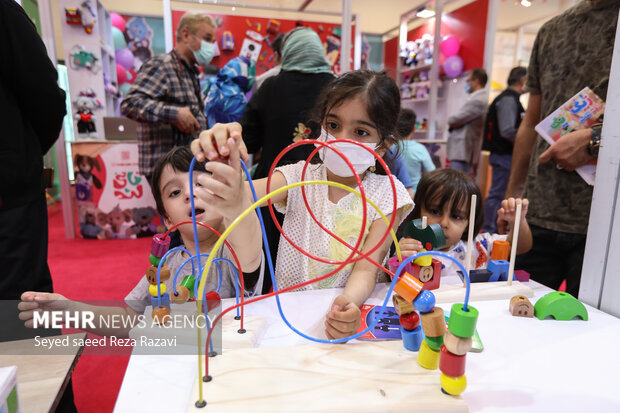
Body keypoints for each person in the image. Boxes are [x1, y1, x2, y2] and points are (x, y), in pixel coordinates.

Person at [192, 70, 414, 340]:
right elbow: (244, 194)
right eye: (333, 125)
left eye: (360, 131)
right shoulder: (297, 176)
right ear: (320, 126)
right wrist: (227, 150)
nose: (342, 139)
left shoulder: (387, 194)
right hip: (289, 318)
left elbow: (368, 267)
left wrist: (349, 302)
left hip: (342, 317)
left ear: (382, 146)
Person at [18, 144, 264, 334]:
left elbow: (248, 247)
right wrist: (69, 311)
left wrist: (236, 199)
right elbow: (128, 319)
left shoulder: (231, 252)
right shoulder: (165, 268)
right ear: (167, 219)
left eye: (201, 185)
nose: (190, 194)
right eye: (175, 192)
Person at [505, 0, 618, 297]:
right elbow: (531, 122)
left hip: (605, 224)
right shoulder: (553, 30)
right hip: (539, 213)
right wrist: (514, 194)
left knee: (596, 331)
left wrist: (596, 139)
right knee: (520, 316)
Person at [238, 27, 335, 291]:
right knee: (318, 252)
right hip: (323, 186)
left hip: (273, 184)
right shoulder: (337, 87)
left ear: (288, 51)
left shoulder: (270, 86)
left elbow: (248, 140)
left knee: (270, 251)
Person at [0, 0, 66, 300]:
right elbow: (45, 95)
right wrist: (22, 153)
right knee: (21, 301)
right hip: (10, 189)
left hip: (11, 182)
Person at [121, 12, 215, 185]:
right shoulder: (162, 65)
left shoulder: (189, 72)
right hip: (168, 167)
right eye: (207, 39)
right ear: (186, 34)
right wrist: (175, 114)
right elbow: (130, 103)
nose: (211, 47)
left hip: (184, 164)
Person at [398, 169, 532, 275]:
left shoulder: (480, 246)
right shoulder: (410, 247)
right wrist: (400, 258)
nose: (444, 223)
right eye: (435, 211)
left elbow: (519, 247)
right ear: (418, 210)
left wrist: (518, 222)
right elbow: (391, 280)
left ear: (470, 222)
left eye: (456, 217)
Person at [481, 66, 527, 233]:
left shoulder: (511, 99)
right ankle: (490, 230)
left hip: (504, 155)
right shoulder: (508, 99)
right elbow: (507, 130)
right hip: (503, 155)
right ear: (523, 80)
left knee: (499, 194)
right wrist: (525, 142)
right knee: (498, 194)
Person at [447, 68, 489, 174]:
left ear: (476, 81)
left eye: (468, 80)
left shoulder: (478, 100)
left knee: (458, 185)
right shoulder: (476, 98)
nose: (466, 83)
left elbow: (455, 120)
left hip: (464, 150)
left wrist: (450, 121)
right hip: (464, 150)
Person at [395, 108, 436, 193]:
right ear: (413, 129)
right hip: (414, 195)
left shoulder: (387, 148)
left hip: (392, 194)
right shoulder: (419, 149)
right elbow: (432, 174)